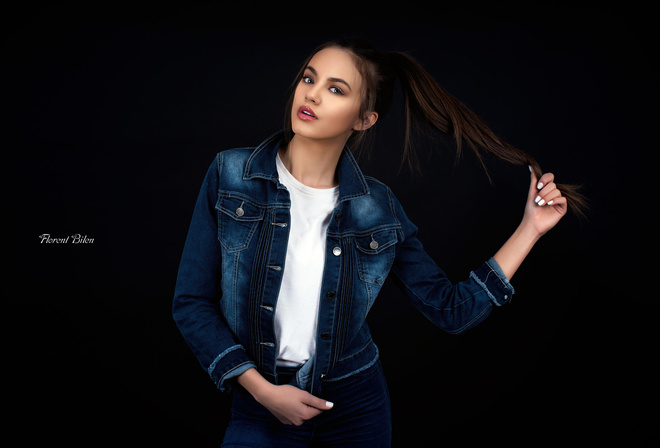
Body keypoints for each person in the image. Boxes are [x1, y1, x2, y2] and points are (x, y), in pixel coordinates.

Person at [172, 38, 586, 447]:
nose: (312, 94)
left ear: (364, 119)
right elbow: (192, 302)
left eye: (336, 89)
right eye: (308, 79)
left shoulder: (378, 208)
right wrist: (262, 391)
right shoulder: (229, 175)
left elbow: (450, 309)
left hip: (355, 409)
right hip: (260, 402)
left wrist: (530, 228)